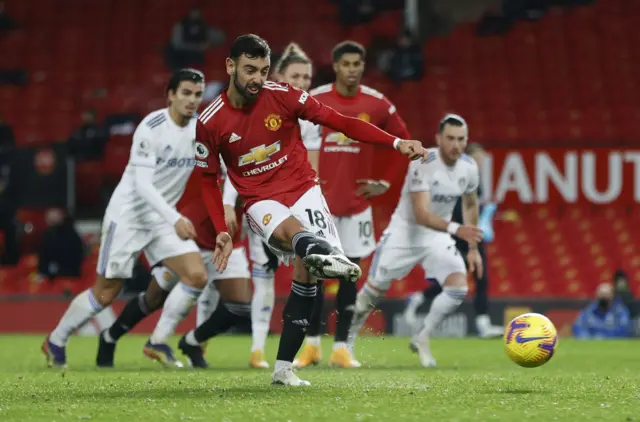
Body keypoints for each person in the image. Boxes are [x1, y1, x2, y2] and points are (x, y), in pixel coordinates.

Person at [188, 34, 426, 386]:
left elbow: (341, 122)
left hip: (303, 189)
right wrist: (222, 227)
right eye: (249, 69)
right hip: (260, 199)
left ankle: (283, 369)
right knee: (297, 237)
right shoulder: (210, 121)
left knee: (308, 277)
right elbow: (208, 179)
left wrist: (395, 142)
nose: (257, 77)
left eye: (264, 70)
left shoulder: (283, 96)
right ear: (231, 66)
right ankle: (321, 249)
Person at [42, 69, 233, 368]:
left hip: (161, 220)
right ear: (170, 94)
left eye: (197, 94)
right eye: (185, 93)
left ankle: (158, 342)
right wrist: (175, 218)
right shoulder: (151, 127)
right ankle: (57, 338)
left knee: (196, 275)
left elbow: (223, 168)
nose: (192, 100)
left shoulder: (201, 130)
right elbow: (143, 186)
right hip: (128, 217)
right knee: (106, 293)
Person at [294, 40, 412, 369]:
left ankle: (343, 348)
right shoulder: (316, 99)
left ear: (362, 66)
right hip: (319, 205)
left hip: (357, 205)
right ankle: (312, 345)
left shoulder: (377, 104)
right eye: (346, 64)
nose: (352, 69)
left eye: (357, 64)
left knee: (350, 277)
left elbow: (403, 141)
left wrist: (385, 182)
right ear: (335, 66)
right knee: (315, 274)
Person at [218, 42, 324, 369]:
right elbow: (234, 166)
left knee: (312, 266)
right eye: (296, 75)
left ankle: (307, 347)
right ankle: (257, 349)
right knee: (263, 275)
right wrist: (226, 204)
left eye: (307, 75)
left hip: (298, 200)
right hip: (263, 203)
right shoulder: (257, 107)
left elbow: (314, 169)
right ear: (279, 75)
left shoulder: (309, 114)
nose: (303, 81)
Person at [347, 114, 484, 368]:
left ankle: (422, 336)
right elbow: (421, 215)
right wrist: (457, 229)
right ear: (438, 139)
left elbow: (470, 202)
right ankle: (346, 342)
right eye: (450, 138)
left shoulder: (469, 168)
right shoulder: (422, 162)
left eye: (461, 139)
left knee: (458, 287)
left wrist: (473, 247)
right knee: (372, 292)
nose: (456, 145)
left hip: (437, 236)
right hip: (404, 233)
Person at [96, 167, 250, 368]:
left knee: (240, 306)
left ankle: (191, 341)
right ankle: (110, 336)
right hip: (190, 238)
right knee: (155, 297)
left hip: (228, 242)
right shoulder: (200, 151)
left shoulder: (253, 156)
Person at [403, 143, 503, 338]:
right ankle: (483, 323)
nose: (482, 162)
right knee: (464, 277)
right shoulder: (463, 178)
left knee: (473, 278)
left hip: (471, 234)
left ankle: (419, 298)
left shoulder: (473, 179)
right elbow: (459, 209)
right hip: (462, 235)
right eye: (479, 158)